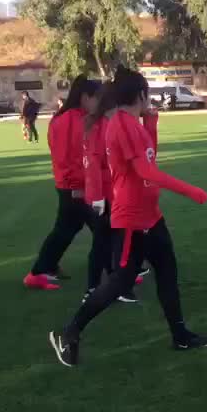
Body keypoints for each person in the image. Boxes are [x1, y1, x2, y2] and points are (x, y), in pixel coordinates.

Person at [49, 65, 207, 367]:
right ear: (141, 94)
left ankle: (180, 336)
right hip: (132, 220)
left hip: (151, 215)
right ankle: (70, 331)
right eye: (147, 96)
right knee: (120, 282)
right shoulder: (122, 125)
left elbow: (149, 156)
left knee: (167, 272)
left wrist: (151, 123)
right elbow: (145, 171)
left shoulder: (132, 123)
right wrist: (191, 191)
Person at [23, 77, 101, 290]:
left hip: (69, 184)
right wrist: (80, 187)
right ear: (85, 97)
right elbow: (73, 157)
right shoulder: (73, 120)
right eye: (98, 98)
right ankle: (122, 271)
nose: (100, 104)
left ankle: (42, 269)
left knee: (66, 228)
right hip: (76, 186)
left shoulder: (65, 118)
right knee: (104, 227)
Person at [83, 83, 140, 303]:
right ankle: (101, 287)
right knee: (108, 242)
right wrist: (97, 196)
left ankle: (110, 285)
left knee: (109, 241)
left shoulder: (101, 124)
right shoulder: (102, 126)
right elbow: (94, 164)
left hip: (110, 192)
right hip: (107, 194)